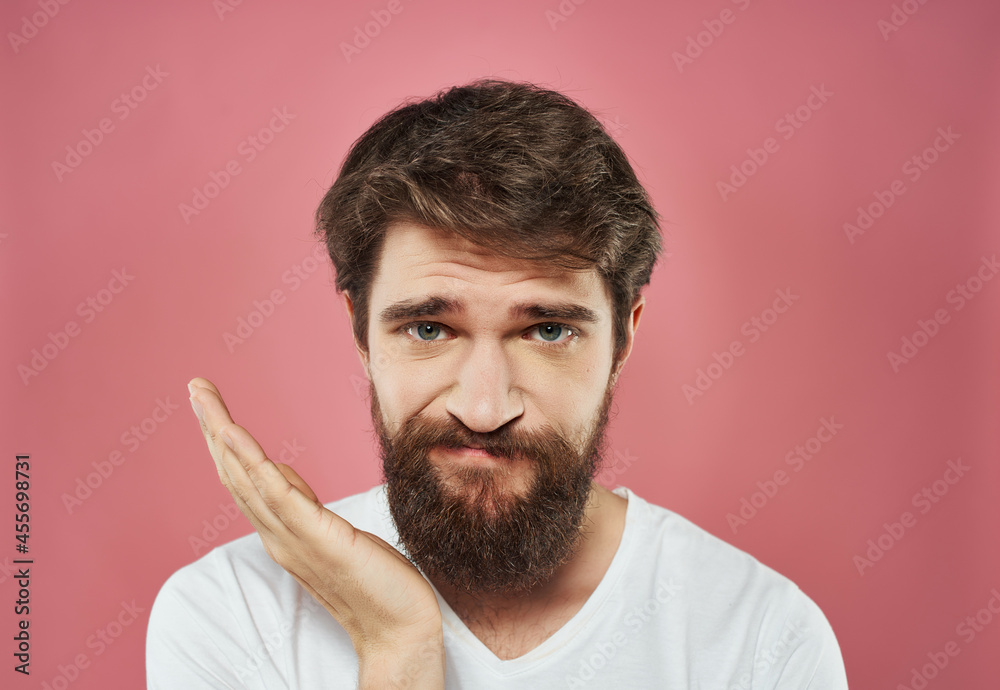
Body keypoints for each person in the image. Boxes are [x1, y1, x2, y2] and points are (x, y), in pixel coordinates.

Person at [147, 79, 849, 689]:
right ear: (362, 333)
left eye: (547, 330)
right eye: (428, 328)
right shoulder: (231, 615)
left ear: (625, 336)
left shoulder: (763, 640)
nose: (484, 409)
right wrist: (398, 649)